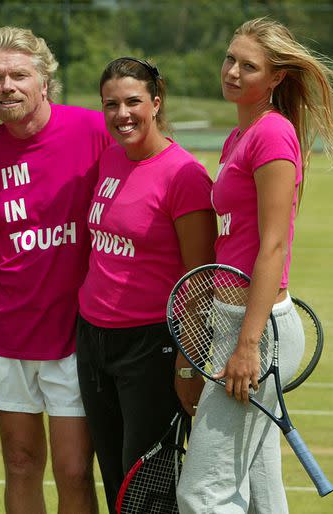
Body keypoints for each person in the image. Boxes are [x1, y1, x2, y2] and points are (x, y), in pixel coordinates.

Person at [177, 18, 333, 513]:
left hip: (255, 328)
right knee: (262, 495)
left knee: (202, 494)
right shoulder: (236, 139)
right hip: (235, 322)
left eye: (249, 66)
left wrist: (247, 344)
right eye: (230, 59)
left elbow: (273, 247)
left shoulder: (273, 134)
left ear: (274, 79)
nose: (232, 71)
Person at [0, 27, 111, 514]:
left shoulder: (94, 130)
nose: (6, 86)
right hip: (6, 330)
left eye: (18, 75)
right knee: (22, 463)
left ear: (44, 80)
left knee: (74, 470)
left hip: (74, 332)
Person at [74, 57, 217, 513]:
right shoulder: (110, 157)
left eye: (133, 102)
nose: (122, 114)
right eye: (110, 104)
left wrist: (186, 365)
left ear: (156, 102)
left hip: (152, 345)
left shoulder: (185, 174)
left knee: (149, 489)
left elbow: (199, 279)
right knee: (115, 477)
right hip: (93, 339)